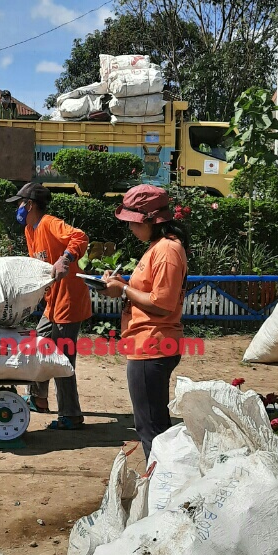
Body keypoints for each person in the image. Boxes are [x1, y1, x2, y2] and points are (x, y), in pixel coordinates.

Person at [101, 185, 188, 460]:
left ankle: (161, 488)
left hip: (153, 344)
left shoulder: (167, 251)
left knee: (152, 429)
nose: (130, 228)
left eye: (133, 222)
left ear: (151, 220)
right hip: (149, 343)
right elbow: (151, 292)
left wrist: (123, 290)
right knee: (151, 425)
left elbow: (162, 304)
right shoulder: (158, 248)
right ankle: (162, 485)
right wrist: (120, 284)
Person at [6, 183, 91, 430]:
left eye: (21, 204)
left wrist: (66, 258)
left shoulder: (49, 223)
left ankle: (71, 414)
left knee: (62, 358)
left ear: (30, 204)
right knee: (37, 344)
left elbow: (80, 236)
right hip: (52, 302)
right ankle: (38, 398)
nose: (19, 209)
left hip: (69, 300)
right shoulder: (30, 231)